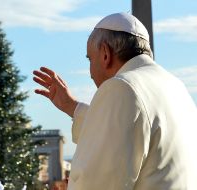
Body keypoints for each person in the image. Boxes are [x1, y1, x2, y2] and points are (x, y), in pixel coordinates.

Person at [33, 12, 197, 190]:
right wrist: (72, 107)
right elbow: (133, 133)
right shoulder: (176, 86)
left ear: (105, 54)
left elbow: (98, 182)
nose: (90, 73)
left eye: (90, 59)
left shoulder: (122, 87)